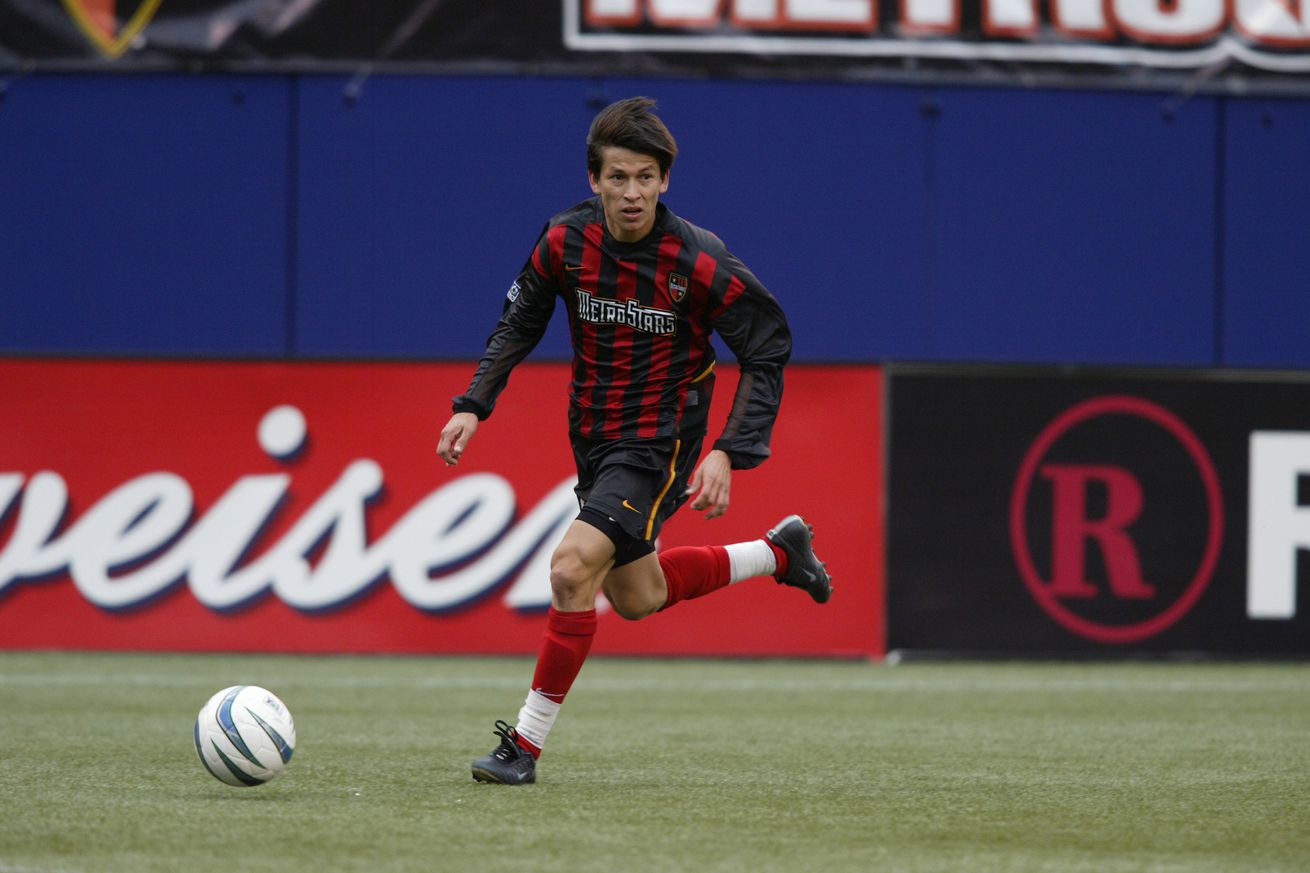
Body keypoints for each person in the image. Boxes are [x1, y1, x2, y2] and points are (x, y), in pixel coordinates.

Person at [437, 96, 832, 785]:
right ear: (594, 179)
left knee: (569, 570)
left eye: (646, 177)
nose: (632, 193)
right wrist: (475, 403)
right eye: (618, 177)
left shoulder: (697, 260)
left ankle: (522, 749)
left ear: (666, 180)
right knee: (637, 595)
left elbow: (767, 345)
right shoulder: (564, 241)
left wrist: (728, 449)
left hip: (659, 441)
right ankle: (778, 552)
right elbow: (519, 321)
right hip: (593, 438)